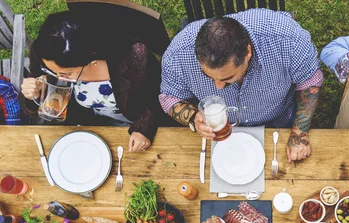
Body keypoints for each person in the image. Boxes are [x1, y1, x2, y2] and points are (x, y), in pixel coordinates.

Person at [160, 9, 323, 163]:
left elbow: (310, 83)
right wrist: (193, 118)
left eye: (227, 77)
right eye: (208, 76)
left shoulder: (287, 39)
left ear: (248, 53)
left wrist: (299, 133)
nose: (217, 87)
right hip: (218, 136)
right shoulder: (178, 55)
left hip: (278, 124)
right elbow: (169, 97)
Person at [20, 12, 170, 152]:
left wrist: (144, 128)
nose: (59, 78)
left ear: (92, 60)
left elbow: (159, 94)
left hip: (132, 125)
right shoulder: (45, 53)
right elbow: (39, 97)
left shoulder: (135, 57)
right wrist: (33, 94)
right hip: (85, 127)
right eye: (52, 71)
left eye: (68, 73)